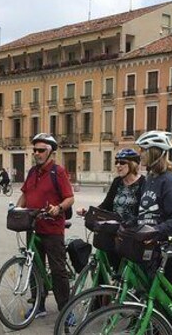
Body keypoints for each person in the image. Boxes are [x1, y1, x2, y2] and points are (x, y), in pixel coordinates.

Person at [131, 130, 172, 335]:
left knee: (165, 308)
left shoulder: (169, 181)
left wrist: (154, 231)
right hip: (147, 250)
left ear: (154, 152)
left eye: (143, 150)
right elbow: (142, 213)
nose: (140, 155)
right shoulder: (149, 180)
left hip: (165, 252)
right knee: (149, 305)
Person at [16, 133, 75, 317]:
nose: (36, 153)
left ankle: (66, 310)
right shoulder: (33, 172)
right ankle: (38, 306)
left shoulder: (58, 172)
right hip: (33, 226)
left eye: (41, 150)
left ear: (50, 152)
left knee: (58, 270)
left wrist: (58, 208)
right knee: (34, 267)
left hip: (52, 229)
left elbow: (70, 198)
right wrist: (17, 210)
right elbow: (25, 194)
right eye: (34, 150)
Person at [77, 148, 145, 268]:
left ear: (133, 164)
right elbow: (106, 205)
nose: (118, 165)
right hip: (114, 232)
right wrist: (90, 213)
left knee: (128, 271)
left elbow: (143, 211)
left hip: (130, 235)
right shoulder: (117, 182)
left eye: (122, 162)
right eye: (116, 162)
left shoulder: (143, 183)